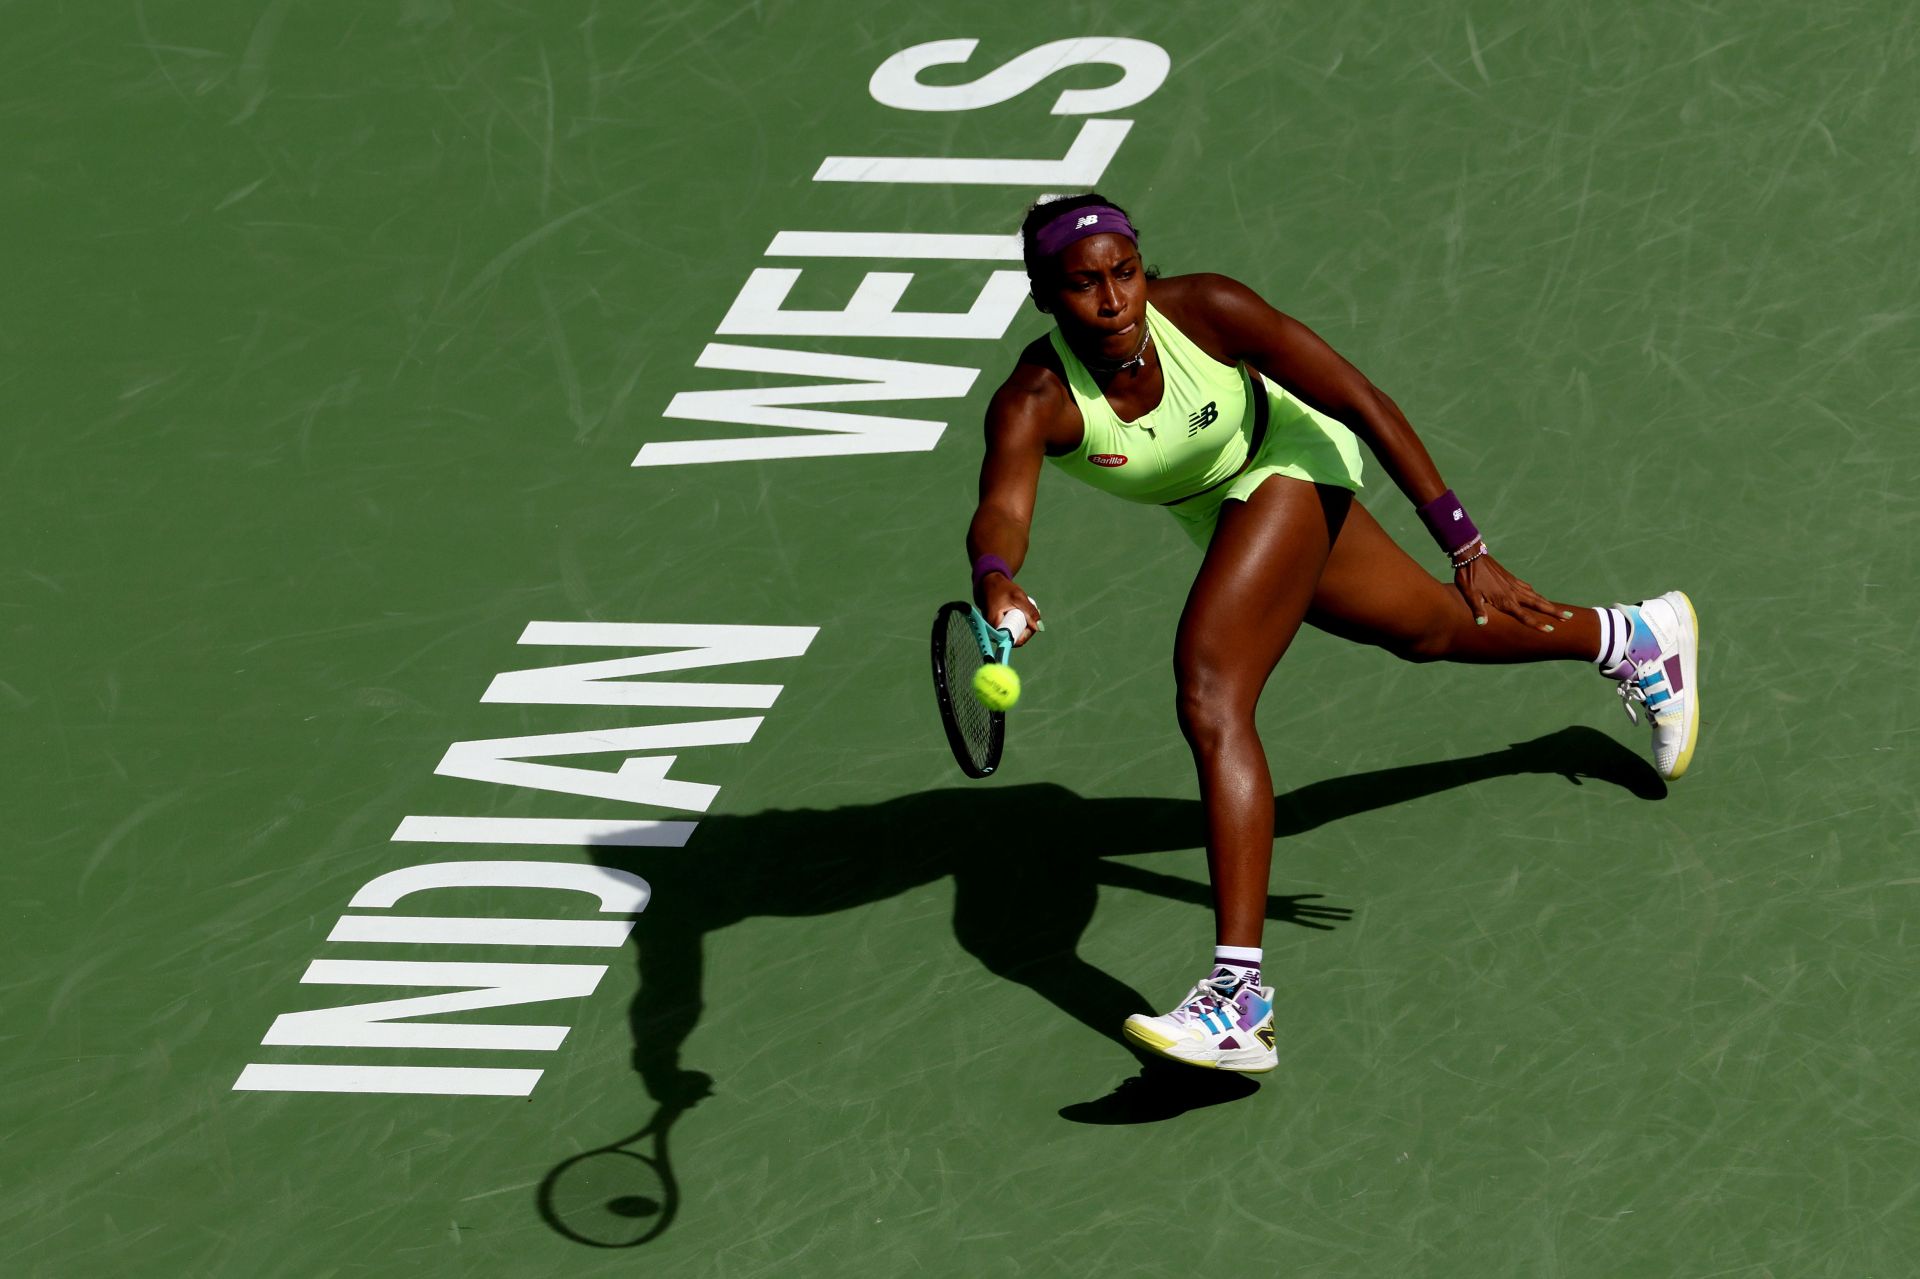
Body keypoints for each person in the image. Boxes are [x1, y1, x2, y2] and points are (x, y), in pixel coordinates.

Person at [964, 193, 1700, 1074]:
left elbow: (1359, 396)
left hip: (1290, 464)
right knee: (1428, 630)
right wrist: (997, 580)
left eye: (1124, 272)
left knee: (1210, 691)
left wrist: (1465, 541)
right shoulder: (1033, 401)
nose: (1116, 300)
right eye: (1084, 285)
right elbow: (1002, 509)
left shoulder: (1206, 311)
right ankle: (1631, 637)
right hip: (1218, 507)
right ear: (1045, 298)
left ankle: (1239, 998)